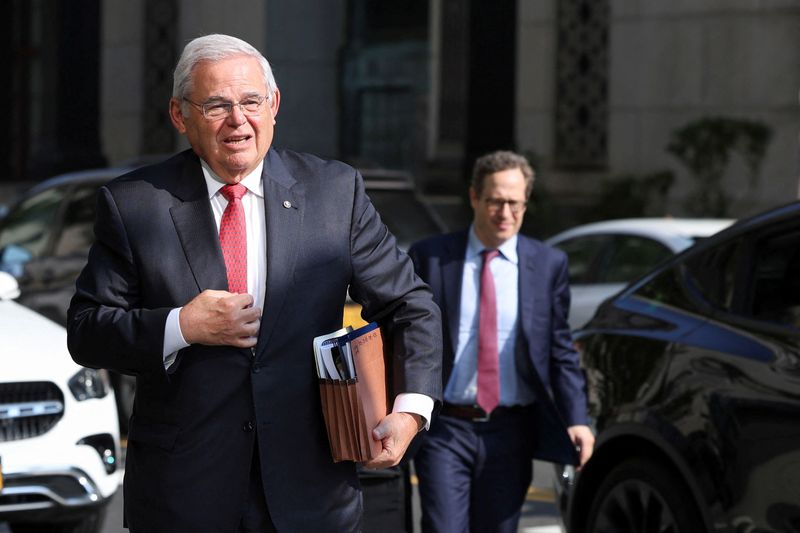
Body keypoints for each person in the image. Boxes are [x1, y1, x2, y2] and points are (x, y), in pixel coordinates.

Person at [67, 34, 442, 533]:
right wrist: (182, 325)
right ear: (180, 116)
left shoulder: (334, 192)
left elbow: (410, 306)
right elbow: (88, 330)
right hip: (183, 496)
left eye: (250, 102)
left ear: (275, 105)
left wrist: (411, 411)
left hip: (312, 493)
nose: (238, 120)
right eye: (217, 105)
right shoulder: (134, 204)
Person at [407, 150, 594, 533]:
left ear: (526, 203)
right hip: (446, 426)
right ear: (475, 197)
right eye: (495, 201)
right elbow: (405, 337)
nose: (505, 212)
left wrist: (577, 418)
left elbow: (560, 348)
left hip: (512, 430)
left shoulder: (548, 264)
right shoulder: (431, 258)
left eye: (515, 203)